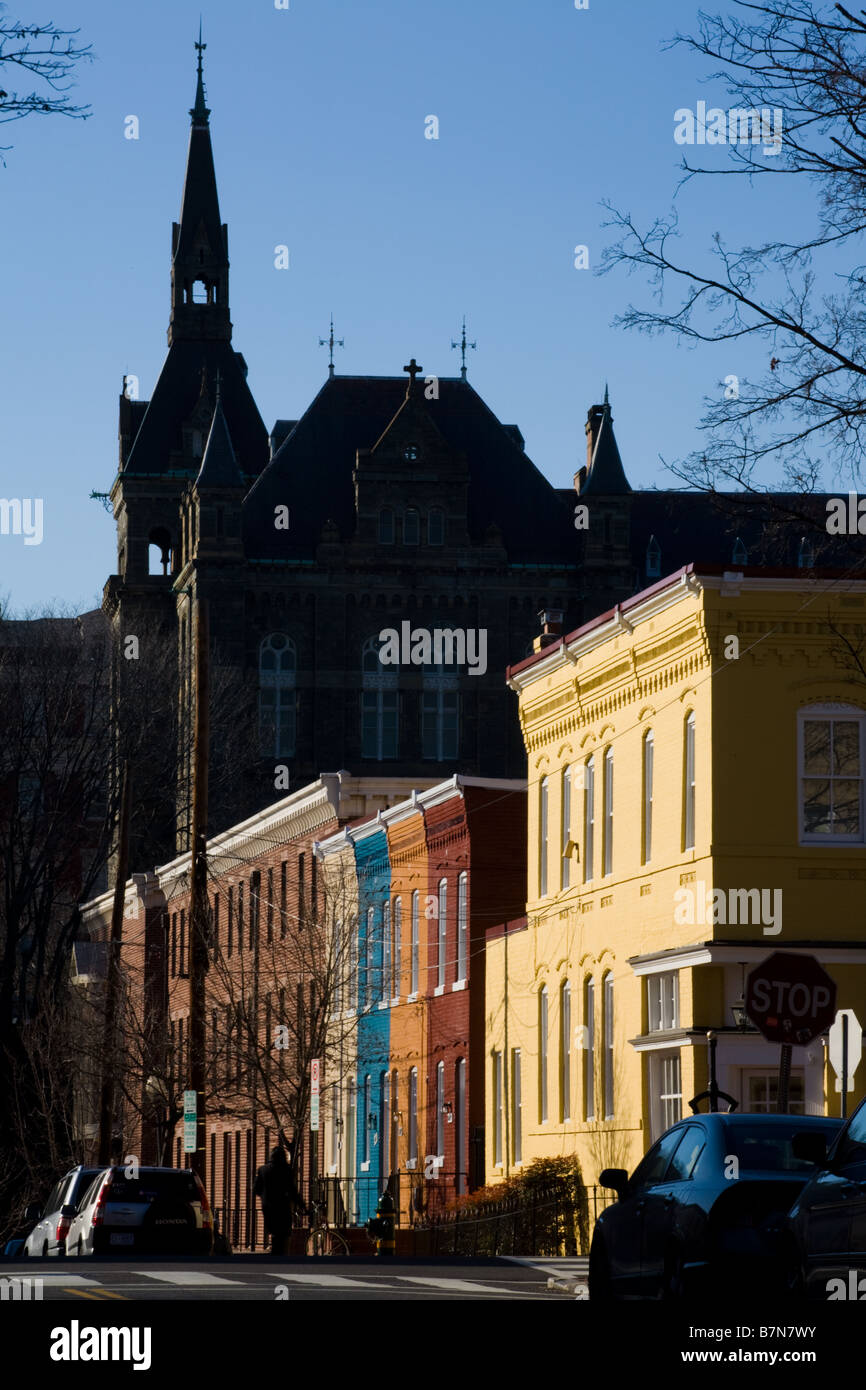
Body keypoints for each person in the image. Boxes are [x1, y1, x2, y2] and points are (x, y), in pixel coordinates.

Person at [254, 1143, 307, 1254]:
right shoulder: (286, 1170)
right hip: (283, 1207)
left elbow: (256, 1190)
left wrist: (265, 1196)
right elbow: (293, 1191)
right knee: (284, 1234)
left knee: (275, 1233)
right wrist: (302, 1206)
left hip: (268, 1208)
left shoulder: (263, 1170)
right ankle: (282, 1254)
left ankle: (276, 1253)